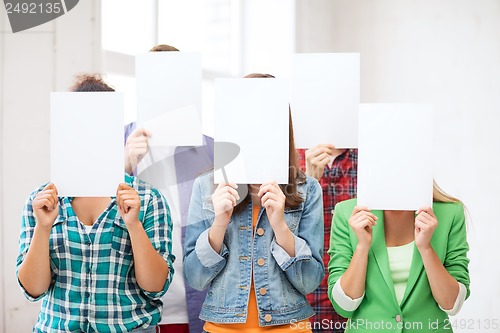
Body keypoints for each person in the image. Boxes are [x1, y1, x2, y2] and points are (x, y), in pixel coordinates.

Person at [16, 74, 175, 333]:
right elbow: (33, 290)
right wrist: (42, 228)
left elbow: (155, 285)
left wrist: (134, 226)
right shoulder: (41, 202)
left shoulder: (147, 199)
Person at [183, 73, 325, 332]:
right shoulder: (207, 185)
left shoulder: (308, 189)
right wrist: (218, 224)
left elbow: (311, 281)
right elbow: (194, 278)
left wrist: (281, 227)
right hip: (223, 326)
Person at [125, 44, 213, 333]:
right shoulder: (119, 141)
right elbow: (92, 216)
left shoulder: (210, 149)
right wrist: (125, 165)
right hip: (133, 308)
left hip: (197, 306)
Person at [328, 182, 470, 332]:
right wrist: (362, 247)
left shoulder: (450, 213)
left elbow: (452, 304)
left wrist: (426, 248)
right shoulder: (348, 213)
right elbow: (344, 306)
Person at [297, 145, 357, 333]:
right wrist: (309, 181)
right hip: (301, 298)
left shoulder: (372, 159)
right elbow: (273, 231)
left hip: (359, 297)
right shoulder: (286, 160)